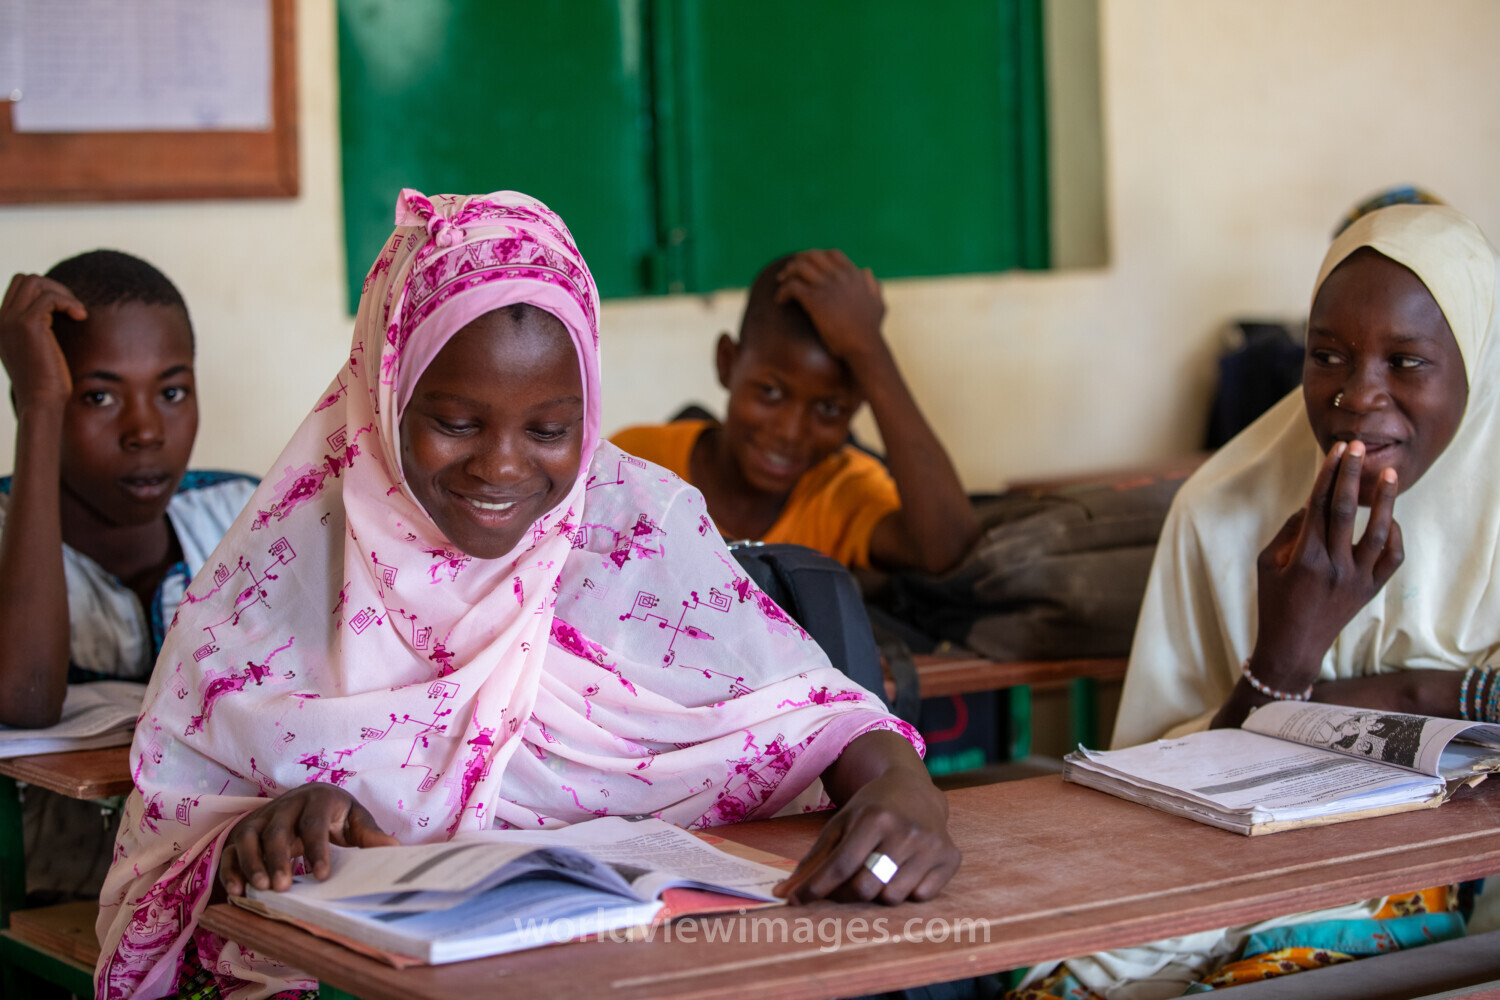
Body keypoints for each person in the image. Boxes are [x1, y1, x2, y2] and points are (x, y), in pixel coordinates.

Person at [95, 192, 960, 999]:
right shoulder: (282, 568)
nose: (503, 468)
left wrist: (899, 784)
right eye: (456, 423)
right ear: (383, 392)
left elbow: (806, 709)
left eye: (549, 430)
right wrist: (264, 830)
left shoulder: (635, 528)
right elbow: (166, 838)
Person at [1016, 204, 1498, 999]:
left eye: (1407, 362)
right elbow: (1154, 781)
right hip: (1216, 857)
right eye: (1327, 356)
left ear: (1477, 366)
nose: (1356, 396)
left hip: (1446, 873)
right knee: (1061, 981)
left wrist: (1354, 698)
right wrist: (1289, 656)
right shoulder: (1222, 509)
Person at [0, 250, 256, 905]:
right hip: (41, 902)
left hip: (216, 892)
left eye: (172, 392)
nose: (144, 431)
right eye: (98, 397)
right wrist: (38, 409)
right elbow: (23, 702)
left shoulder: (245, 517)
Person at [611, 249, 978, 573]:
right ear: (727, 363)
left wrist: (870, 349)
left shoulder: (841, 491)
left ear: (859, 406)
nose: (790, 431)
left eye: (830, 409)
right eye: (770, 392)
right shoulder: (636, 463)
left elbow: (947, 548)